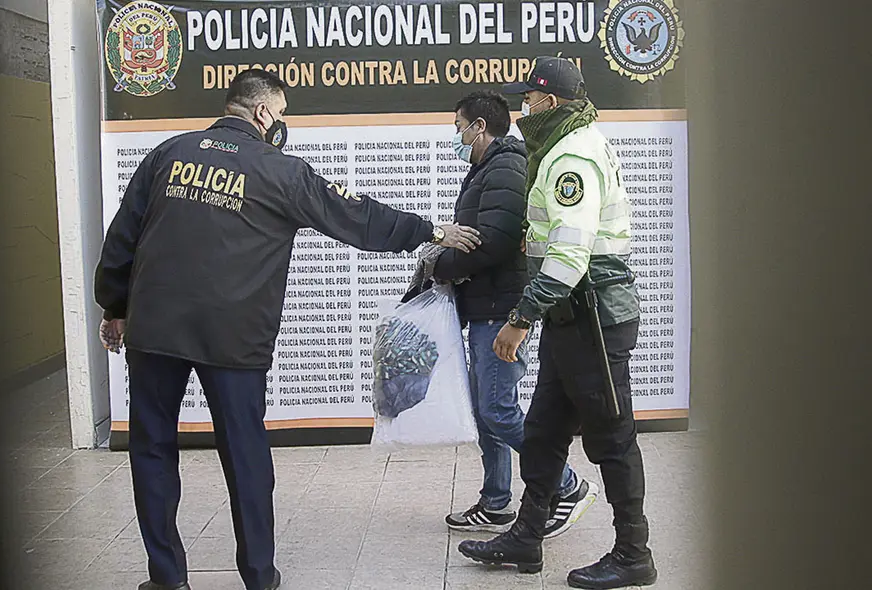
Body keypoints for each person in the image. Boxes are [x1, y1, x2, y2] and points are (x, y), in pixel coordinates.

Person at [94, 69, 482, 590]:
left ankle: (167, 579)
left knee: (152, 449)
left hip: (155, 328)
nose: (283, 123)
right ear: (261, 113)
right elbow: (355, 216)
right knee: (245, 454)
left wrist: (114, 307)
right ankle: (258, 576)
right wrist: (429, 229)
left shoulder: (168, 154)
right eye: (281, 112)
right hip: (234, 337)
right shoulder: (282, 171)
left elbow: (123, 235)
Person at [458, 57, 658, 589]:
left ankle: (634, 552)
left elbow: (570, 256)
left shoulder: (570, 154)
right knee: (544, 431)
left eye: (530, 97)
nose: (524, 106)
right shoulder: (560, 146)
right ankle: (526, 536)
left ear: (550, 101)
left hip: (592, 319)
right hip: (572, 320)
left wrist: (520, 318)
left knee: (612, 439)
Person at [417, 90, 598, 537]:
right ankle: (496, 502)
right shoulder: (485, 169)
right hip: (485, 304)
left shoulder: (505, 165)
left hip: (502, 307)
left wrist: (441, 262)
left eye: (458, 126)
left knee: (498, 410)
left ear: (480, 126)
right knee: (486, 412)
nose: (455, 135)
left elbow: (492, 243)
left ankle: (568, 485)